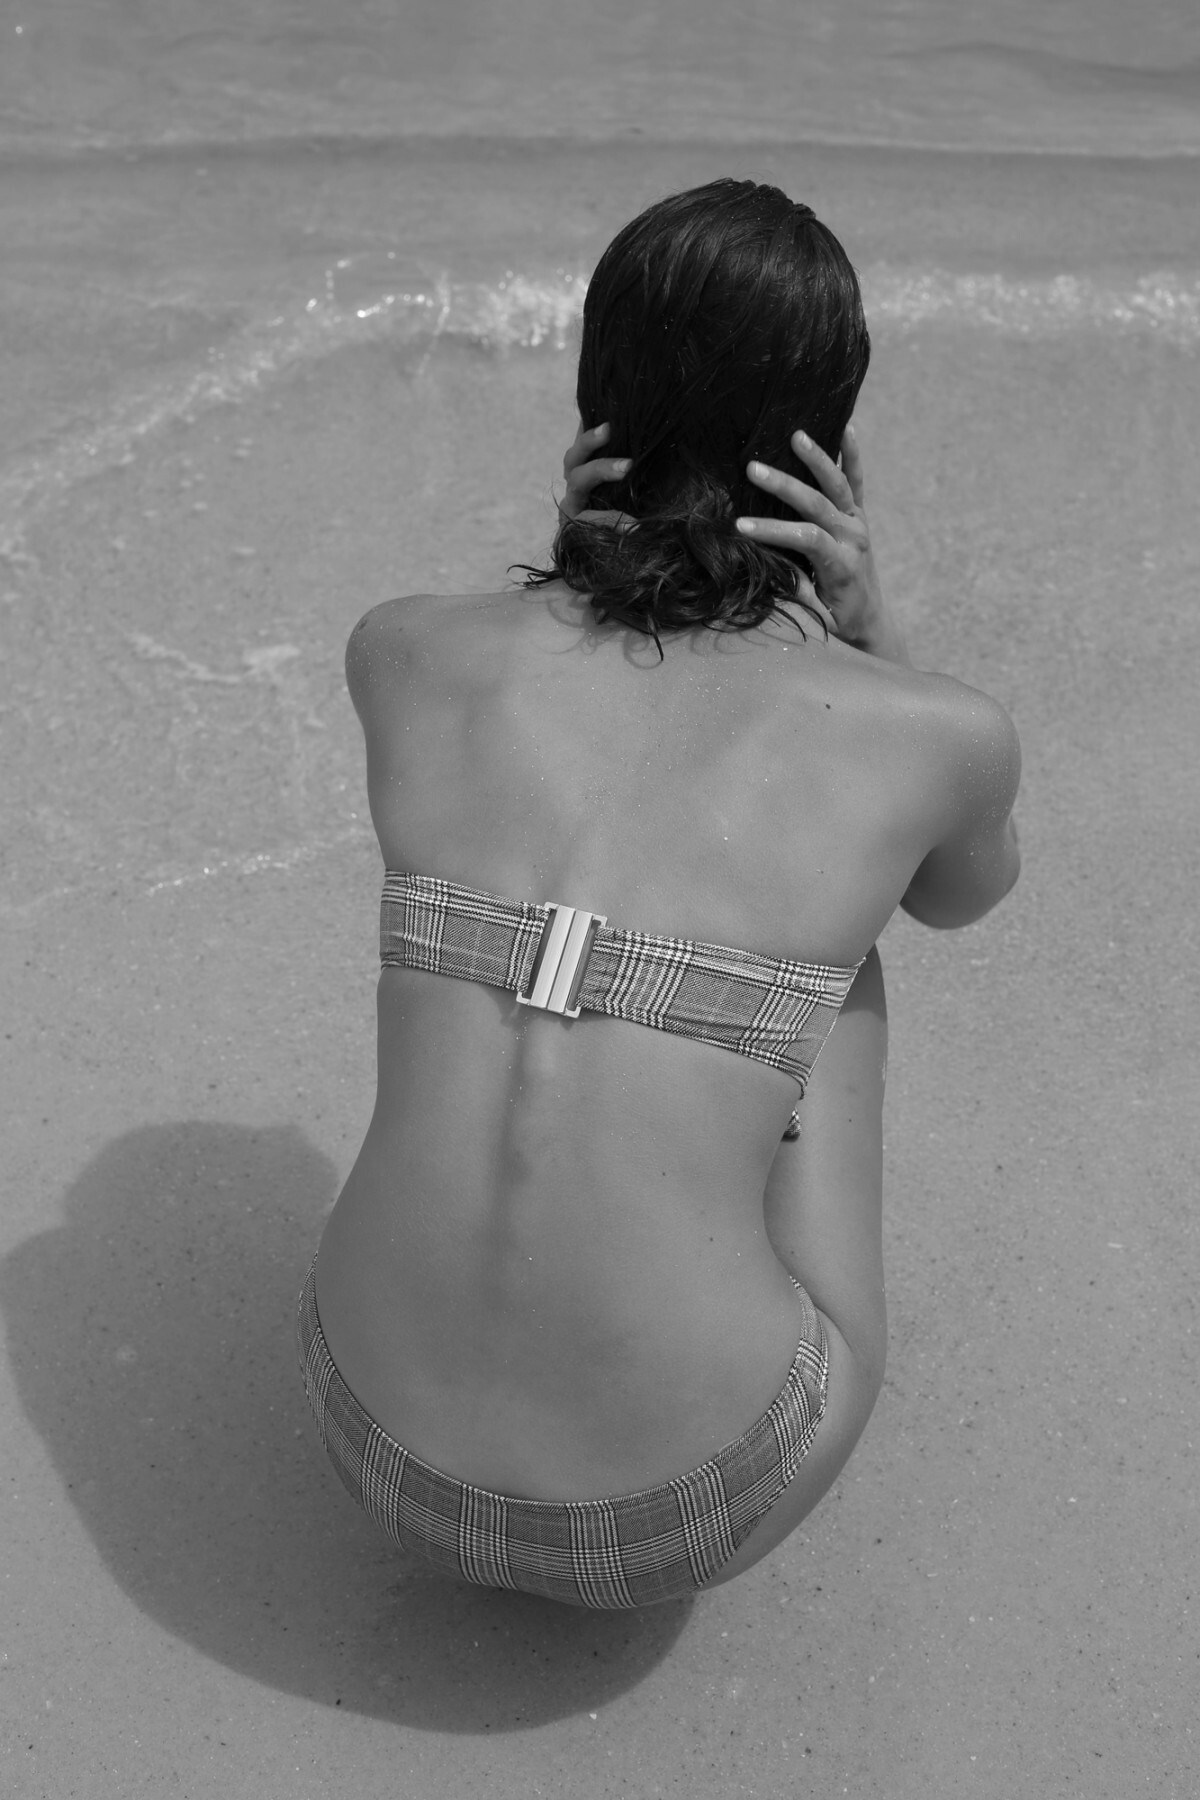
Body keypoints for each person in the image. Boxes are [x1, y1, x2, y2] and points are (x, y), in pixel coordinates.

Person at [298, 179, 1020, 1610]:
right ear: (832, 449)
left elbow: (573, 703)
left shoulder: (405, 655)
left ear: (595, 406)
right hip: (688, 1510)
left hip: (368, 1441)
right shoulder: (930, 735)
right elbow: (964, 894)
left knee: (552, 935)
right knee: (844, 958)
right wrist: (875, 639)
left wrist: (582, 553)